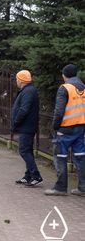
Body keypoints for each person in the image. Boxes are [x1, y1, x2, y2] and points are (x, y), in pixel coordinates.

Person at [45, 64, 85, 196]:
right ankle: (82, 188)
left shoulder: (64, 88)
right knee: (80, 158)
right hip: (80, 129)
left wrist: (56, 126)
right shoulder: (83, 88)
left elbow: (59, 110)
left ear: (64, 75)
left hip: (65, 129)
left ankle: (61, 188)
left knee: (60, 157)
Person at [11, 70, 42, 186]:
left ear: (20, 80)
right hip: (27, 126)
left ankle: (36, 175)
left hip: (26, 126)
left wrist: (15, 122)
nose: (16, 81)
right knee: (27, 150)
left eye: (17, 79)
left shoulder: (28, 91)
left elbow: (24, 109)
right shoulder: (28, 90)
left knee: (24, 150)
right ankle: (28, 175)